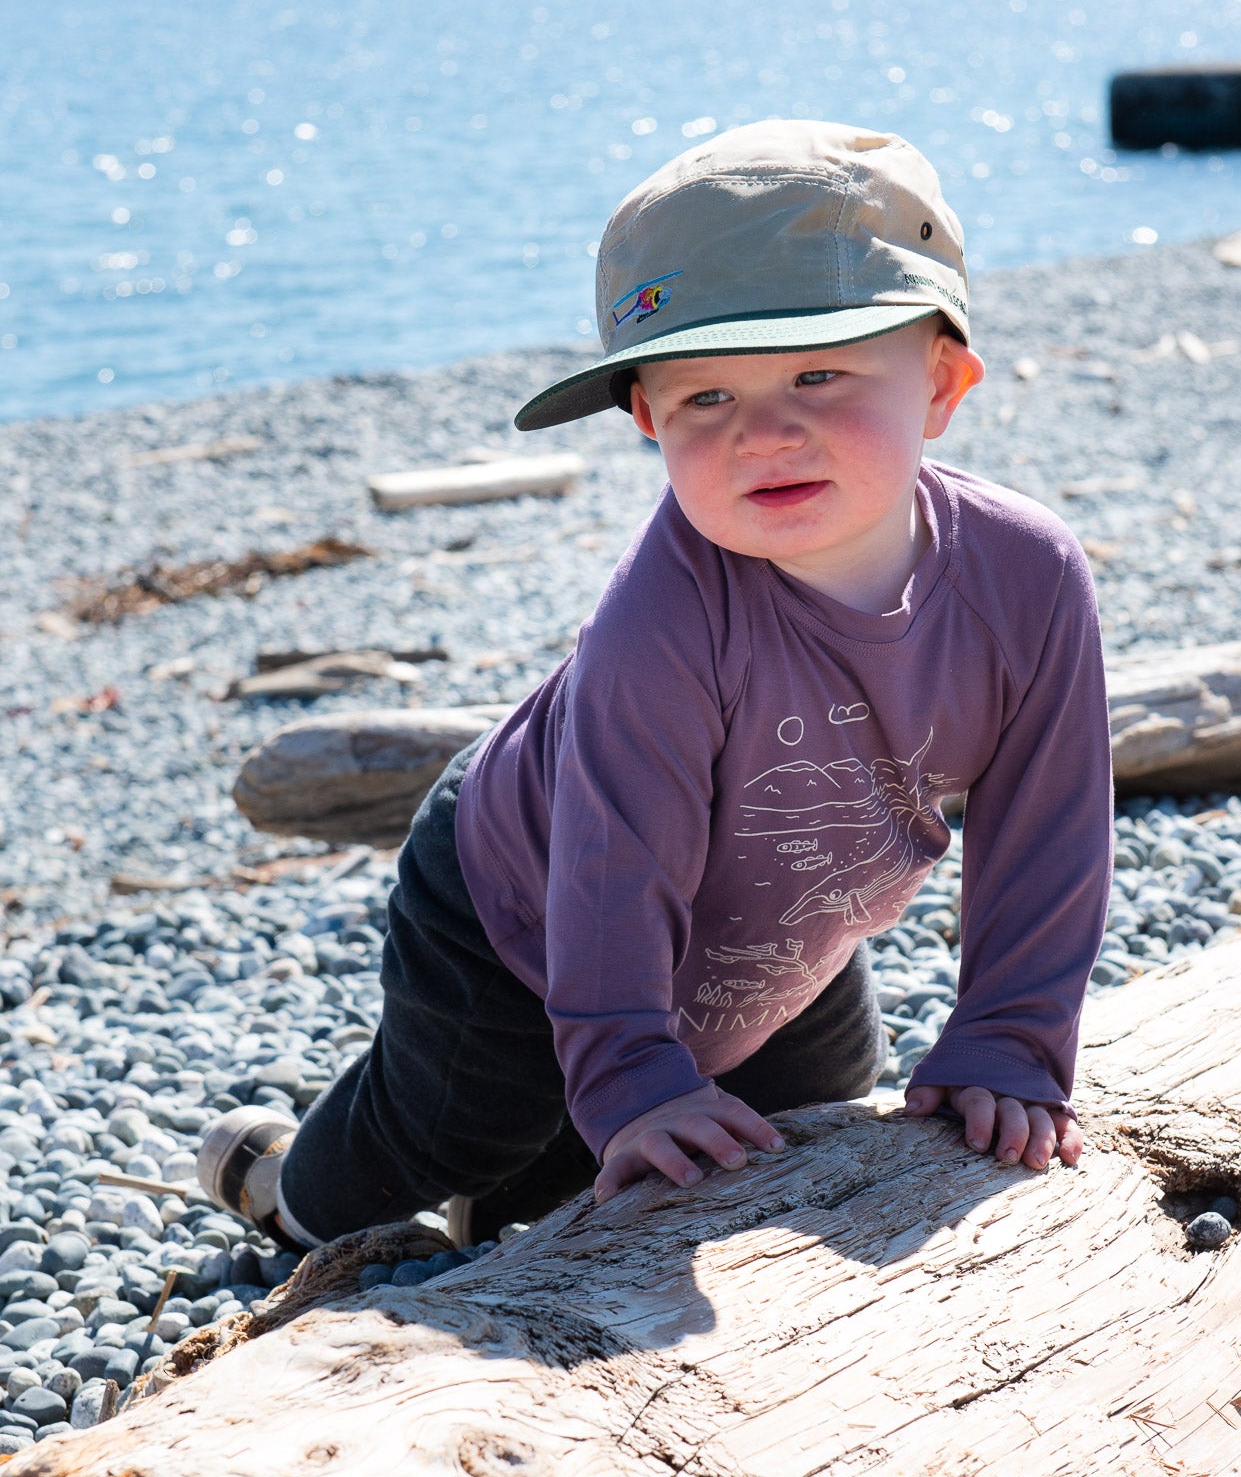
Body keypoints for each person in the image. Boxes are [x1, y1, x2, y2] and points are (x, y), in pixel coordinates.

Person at [198, 120, 1113, 1252]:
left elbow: (1049, 823)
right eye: (705, 401)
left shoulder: (1025, 576)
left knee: (801, 1117)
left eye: (818, 374)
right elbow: (610, 865)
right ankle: (280, 1187)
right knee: (448, 1127)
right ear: (645, 417)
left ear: (939, 380)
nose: (765, 432)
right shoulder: (664, 618)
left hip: (786, 925)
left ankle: (545, 1174)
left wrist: (1010, 1039)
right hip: (523, 906)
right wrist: (634, 1079)